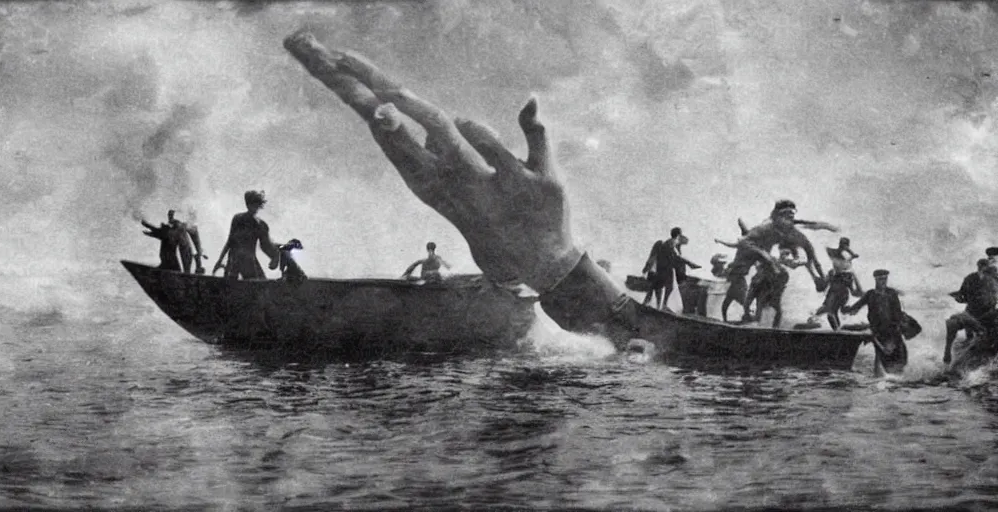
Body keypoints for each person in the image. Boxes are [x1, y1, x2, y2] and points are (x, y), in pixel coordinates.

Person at [282, 33, 847, 362]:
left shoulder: (506, 191)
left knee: (393, 118)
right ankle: (316, 54)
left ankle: (320, 57)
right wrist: (323, 60)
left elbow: (407, 108)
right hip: (566, 287)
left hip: (567, 286)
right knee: (390, 118)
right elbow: (397, 108)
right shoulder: (469, 184)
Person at [841, 269, 907, 375]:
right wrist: (847, 309)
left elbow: (897, 311)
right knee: (879, 353)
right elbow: (856, 307)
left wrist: (899, 325)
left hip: (892, 329)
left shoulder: (892, 293)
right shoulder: (870, 294)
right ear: (875, 280)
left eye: (885, 279)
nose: (883, 281)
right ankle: (878, 375)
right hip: (878, 330)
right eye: (881, 279)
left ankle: (899, 375)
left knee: (899, 353)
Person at [213, 190, 280, 279]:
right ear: (247, 204)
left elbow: (265, 245)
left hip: (240, 260)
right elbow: (230, 241)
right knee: (259, 285)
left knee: (257, 283)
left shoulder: (258, 224)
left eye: (255, 204)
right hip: (242, 261)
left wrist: (275, 258)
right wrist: (219, 260)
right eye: (250, 204)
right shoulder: (240, 219)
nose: (252, 207)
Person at [944, 258, 998, 364]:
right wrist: (959, 298)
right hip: (975, 314)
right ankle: (948, 352)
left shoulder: (991, 278)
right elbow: (962, 295)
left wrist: (961, 298)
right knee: (954, 323)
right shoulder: (971, 278)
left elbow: (962, 296)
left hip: (986, 313)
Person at [641, 227, 701, 310]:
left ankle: (654, 305)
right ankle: (661, 305)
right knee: (665, 287)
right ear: (678, 235)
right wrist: (690, 264)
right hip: (666, 269)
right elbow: (677, 256)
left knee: (658, 287)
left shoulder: (668, 242)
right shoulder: (672, 241)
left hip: (662, 268)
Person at [812, 237, 864, 330]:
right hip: (835, 291)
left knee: (830, 312)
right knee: (831, 313)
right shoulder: (836, 265)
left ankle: (837, 330)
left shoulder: (846, 271)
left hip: (839, 292)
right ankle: (837, 330)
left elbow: (853, 290)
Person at [750, 246, 806, 328]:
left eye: (784, 254)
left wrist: (800, 262)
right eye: (782, 253)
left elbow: (794, 265)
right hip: (772, 283)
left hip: (778, 283)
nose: (782, 255)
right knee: (764, 302)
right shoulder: (774, 260)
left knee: (773, 304)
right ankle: (761, 321)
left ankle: (774, 324)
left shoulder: (783, 262)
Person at [166, 209, 206, 274]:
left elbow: (196, 240)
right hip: (185, 247)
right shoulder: (185, 225)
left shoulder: (186, 225)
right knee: (187, 266)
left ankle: (195, 270)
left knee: (187, 266)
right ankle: (195, 270)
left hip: (186, 248)